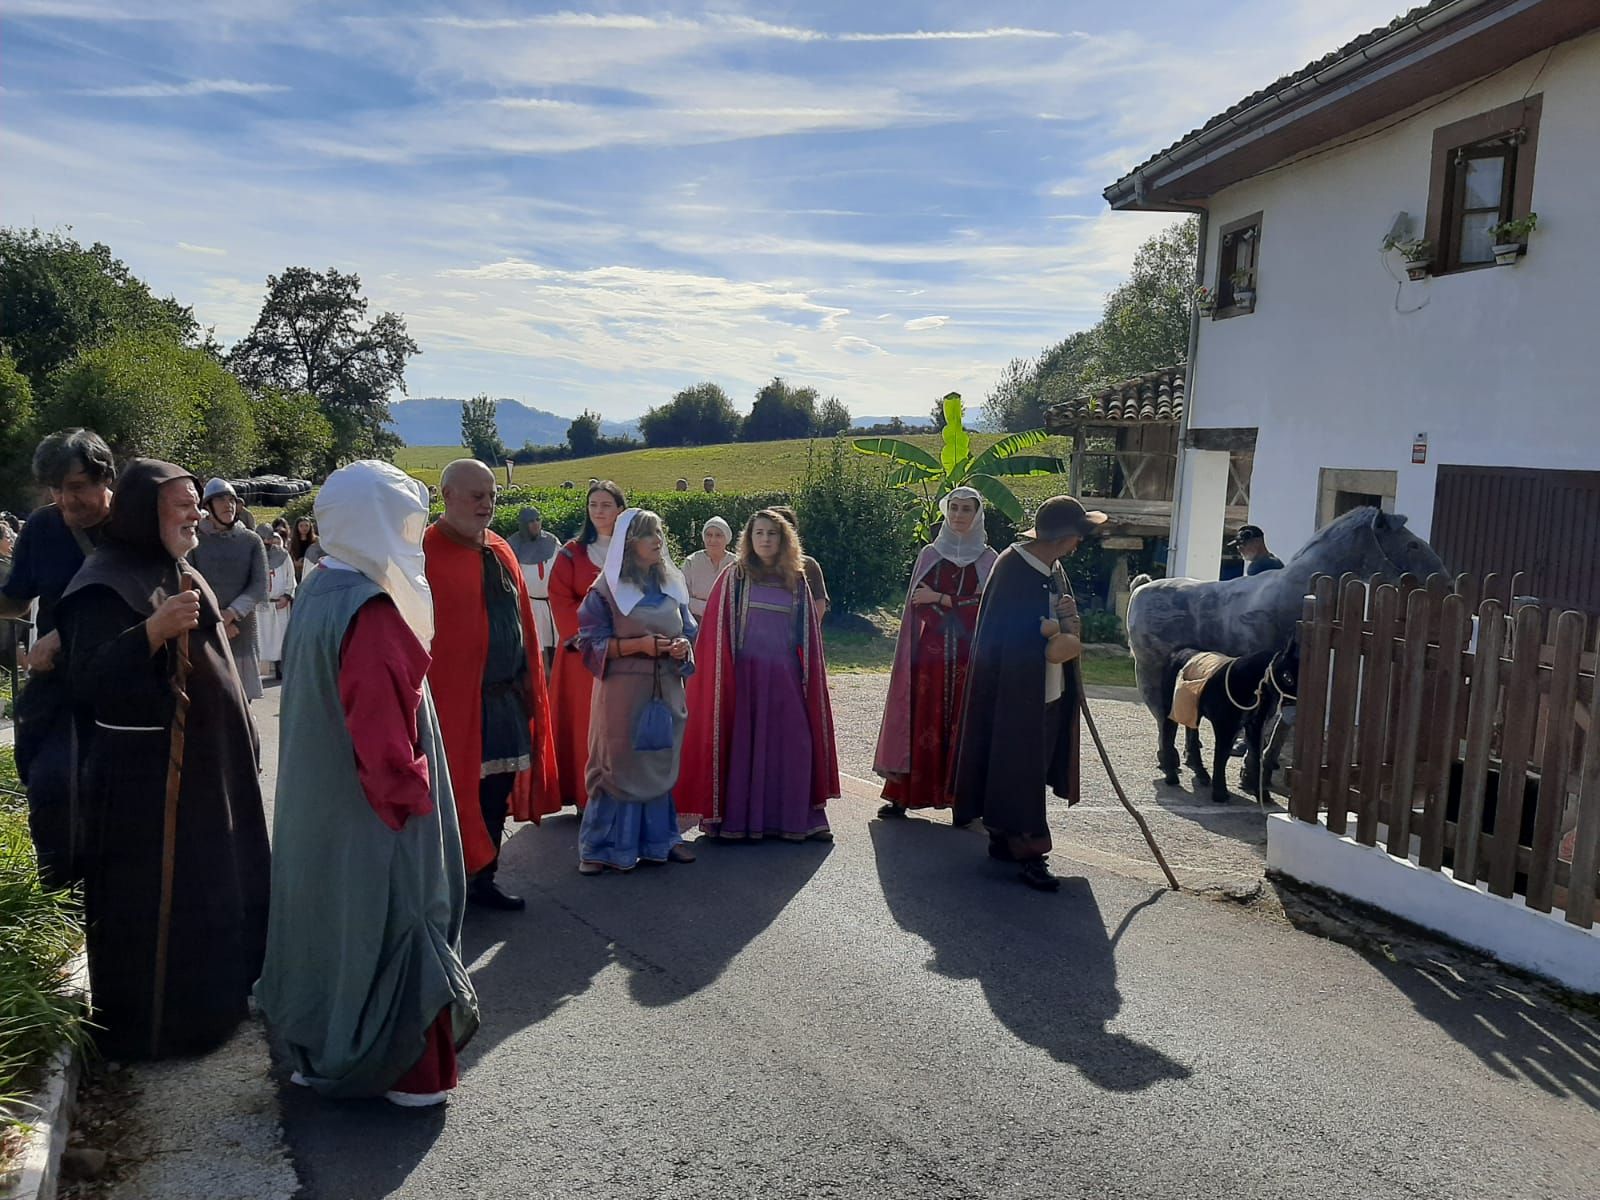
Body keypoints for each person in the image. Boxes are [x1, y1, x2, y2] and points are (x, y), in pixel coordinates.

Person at [255, 460, 479, 1108]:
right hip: (370, 818)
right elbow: (384, 743)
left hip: (318, 805)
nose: (416, 535)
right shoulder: (372, 609)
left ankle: (318, 1049)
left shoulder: (322, 585)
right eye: (407, 522)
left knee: (328, 924)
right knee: (396, 919)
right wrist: (415, 813)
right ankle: (406, 1070)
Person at [56, 458, 271, 1058]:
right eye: (183, 506)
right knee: (161, 911)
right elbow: (87, 680)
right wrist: (149, 633)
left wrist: (244, 734)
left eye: (197, 505)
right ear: (146, 513)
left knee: (215, 892)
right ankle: (161, 1030)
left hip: (210, 772)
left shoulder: (182, 571)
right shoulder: (103, 583)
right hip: (144, 786)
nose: (196, 515)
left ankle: (220, 1006)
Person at [424, 459, 560, 910]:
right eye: (476, 495)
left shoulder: (501, 549)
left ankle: (484, 880)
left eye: (491, 495)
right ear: (446, 496)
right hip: (454, 701)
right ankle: (448, 886)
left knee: (494, 791)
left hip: (504, 698)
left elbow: (522, 620)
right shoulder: (424, 552)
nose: (487, 504)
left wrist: (528, 683)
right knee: (451, 793)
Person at [952, 496, 1104, 892]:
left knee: (1028, 767)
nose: (1079, 544)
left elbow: (1062, 622)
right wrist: (1045, 631)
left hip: (1047, 688)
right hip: (1015, 691)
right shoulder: (1013, 568)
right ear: (1065, 536)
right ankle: (1030, 851)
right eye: (1077, 537)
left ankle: (1005, 838)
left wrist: (1064, 625)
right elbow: (1001, 636)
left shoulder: (1054, 569)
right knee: (1018, 767)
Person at [0, 429, 116, 887]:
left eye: (75, 487)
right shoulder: (44, 527)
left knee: (112, 799)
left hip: (123, 686)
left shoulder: (135, 526)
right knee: (50, 787)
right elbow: (15, 598)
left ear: (105, 477)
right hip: (60, 689)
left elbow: (153, 602)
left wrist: (64, 635)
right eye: (55, 489)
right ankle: (61, 904)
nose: (65, 501)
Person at [679, 509, 839, 840]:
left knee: (794, 743)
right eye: (759, 533)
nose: (765, 539)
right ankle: (737, 821)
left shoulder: (797, 580)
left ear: (784, 539)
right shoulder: (734, 577)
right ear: (749, 540)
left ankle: (801, 819)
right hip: (745, 678)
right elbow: (714, 632)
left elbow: (808, 635)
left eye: (772, 534)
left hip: (786, 677)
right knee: (744, 748)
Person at [574, 509, 698, 874]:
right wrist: (638, 646)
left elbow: (688, 632)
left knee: (658, 758)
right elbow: (588, 643)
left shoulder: (672, 585)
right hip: (623, 691)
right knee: (619, 763)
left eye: (659, 532)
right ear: (629, 544)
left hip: (665, 687)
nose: (657, 540)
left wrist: (681, 649)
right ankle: (600, 848)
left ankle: (662, 839)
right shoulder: (605, 589)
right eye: (648, 535)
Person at [874, 486, 998, 817]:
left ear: (977, 515)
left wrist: (942, 600)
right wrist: (949, 605)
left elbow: (987, 608)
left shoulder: (989, 561)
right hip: (929, 656)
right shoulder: (930, 555)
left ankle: (963, 803)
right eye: (954, 508)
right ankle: (903, 795)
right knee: (922, 719)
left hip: (969, 657)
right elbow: (917, 601)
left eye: (966, 509)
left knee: (964, 725)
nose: (958, 515)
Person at [547, 480, 624, 810]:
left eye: (606, 504)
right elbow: (560, 596)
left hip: (627, 649)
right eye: (593, 504)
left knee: (623, 722)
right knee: (586, 723)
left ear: (620, 509)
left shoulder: (635, 550)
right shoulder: (571, 553)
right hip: (585, 655)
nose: (599, 511)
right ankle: (586, 795)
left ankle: (626, 793)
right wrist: (586, 637)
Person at [192, 479, 268, 702]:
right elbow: (189, 581)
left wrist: (231, 614)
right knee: (209, 700)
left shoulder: (251, 540)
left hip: (241, 629)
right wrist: (216, 619)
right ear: (208, 506)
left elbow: (259, 585)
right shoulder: (196, 540)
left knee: (243, 701)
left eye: (231, 500)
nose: (228, 505)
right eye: (221, 500)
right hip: (205, 628)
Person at [507, 505, 559, 672]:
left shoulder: (552, 542)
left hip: (553, 604)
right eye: (531, 521)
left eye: (538, 519)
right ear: (523, 524)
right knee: (538, 651)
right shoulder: (513, 547)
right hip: (531, 605)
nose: (536, 524)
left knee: (560, 648)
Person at [769, 505, 829, 619]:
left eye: (773, 532)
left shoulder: (808, 565)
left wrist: (807, 629)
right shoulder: (753, 566)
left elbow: (819, 603)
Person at [255, 526, 295, 680]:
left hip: (279, 604)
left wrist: (286, 595)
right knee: (259, 639)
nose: (266, 541)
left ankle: (281, 670)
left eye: (268, 538)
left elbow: (290, 577)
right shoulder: (253, 554)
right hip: (259, 605)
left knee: (281, 638)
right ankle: (256, 674)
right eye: (262, 538)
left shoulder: (283, 555)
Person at [681, 516, 734, 621]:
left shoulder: (736, 564)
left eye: (718, 535)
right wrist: (707, 608)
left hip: (727, 620)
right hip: (695, 620)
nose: (713, 540)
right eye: (708, 535)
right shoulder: (692, 561)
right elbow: (682, 596)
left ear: (727, 538)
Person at [288, 516, 322, 580]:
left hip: (312, 569)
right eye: (301, 526)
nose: (304, 528)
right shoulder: (291, 541)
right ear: (297, 527)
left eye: (306, 525)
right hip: (297, 571)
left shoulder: (316, 540)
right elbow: (289, 556)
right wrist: (295, 563)